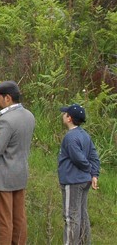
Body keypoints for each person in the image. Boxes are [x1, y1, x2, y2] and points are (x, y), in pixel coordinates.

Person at [0, 81, 36, 245]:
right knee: (19, 218)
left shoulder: (5, 120)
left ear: (7, 98)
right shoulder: (29, 115)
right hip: (20, 174)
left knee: (1, 220)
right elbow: (15, 140)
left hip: (2, 177)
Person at [58, 103, 100, 245]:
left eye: (65, 114)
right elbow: (94, 155)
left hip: (73, 181)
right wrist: (94, 174)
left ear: (69, 118)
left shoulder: (70, 138)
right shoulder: (84, 135)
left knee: (71, 217)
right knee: (82, 215)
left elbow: (79, 159)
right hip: (84, 181)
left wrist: (89, 169)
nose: (63, 115)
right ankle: (84, 242)